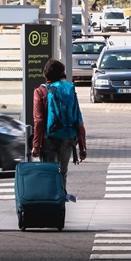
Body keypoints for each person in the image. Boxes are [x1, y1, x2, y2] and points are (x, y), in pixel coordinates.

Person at [31, 59, 87, 191]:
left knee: (48, 174)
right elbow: (78, 118)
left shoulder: (41, 92)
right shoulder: (69, 90)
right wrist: (82, 146)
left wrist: (36, 145)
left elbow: (38, 121)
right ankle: (60, 201)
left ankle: (49, 202)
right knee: (63, 173)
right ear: (62, 74)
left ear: (45, 74)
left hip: (48, 139)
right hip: (67, 137)